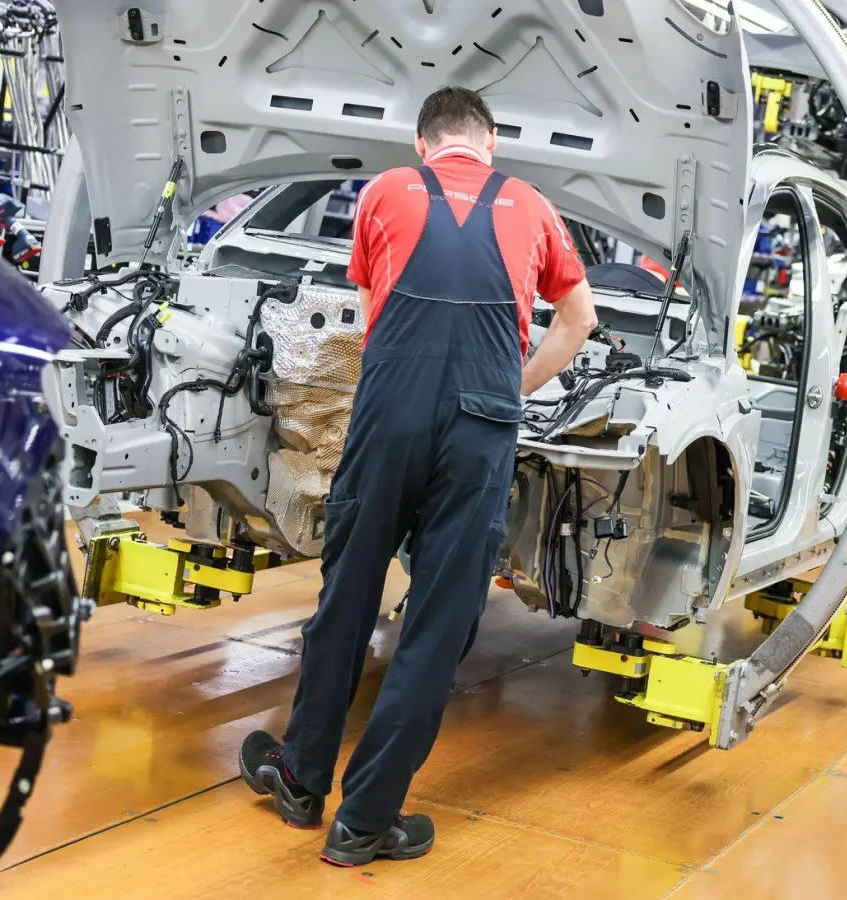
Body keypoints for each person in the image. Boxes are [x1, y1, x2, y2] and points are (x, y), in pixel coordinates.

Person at [237, 87, 598, 866]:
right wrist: (512, 385)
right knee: (437, 625)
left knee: (349, 595)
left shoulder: (386, 190)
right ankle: (364, 822)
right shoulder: (532, 206)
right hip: (481, 424)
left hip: (390, 413)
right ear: (491, 142)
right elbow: (581, 321)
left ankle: (299, 783)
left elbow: (373, 305)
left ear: (422, 143)